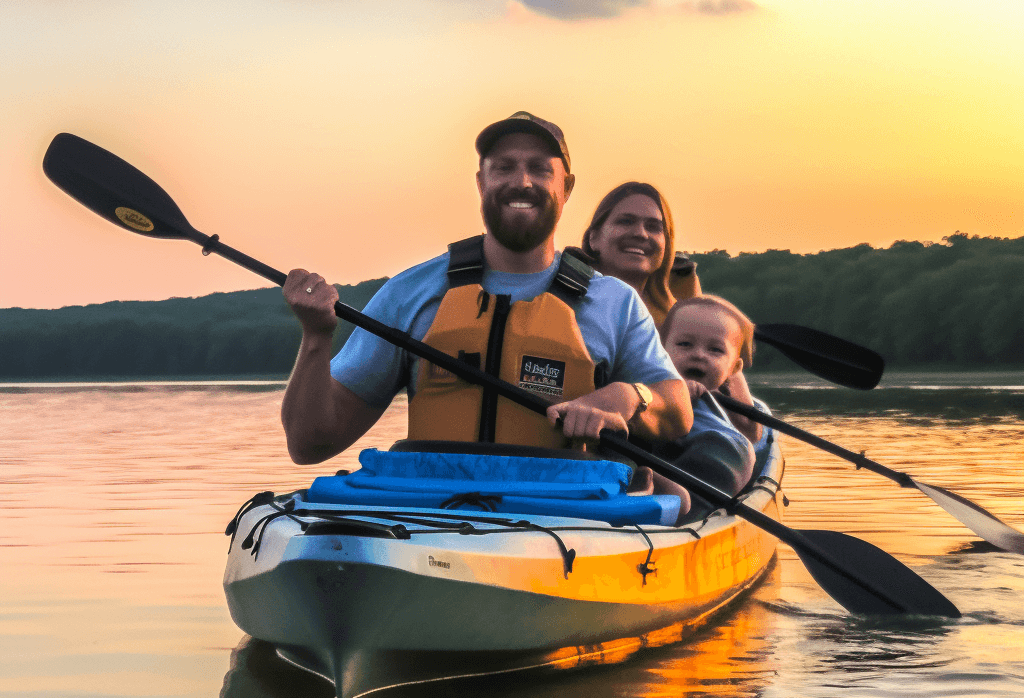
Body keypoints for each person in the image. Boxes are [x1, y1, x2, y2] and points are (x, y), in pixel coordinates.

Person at [279, 111, 692, 467]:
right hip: (434, 521)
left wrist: (630, 394)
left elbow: (678, 408)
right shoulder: (410, 293)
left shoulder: (614, 303)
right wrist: (316, 337)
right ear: (481, 183)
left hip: (564, 525)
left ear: (566, 188)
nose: (522, 181)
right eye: (504, 167)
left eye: (540, 168)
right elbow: (309, 444)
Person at [657, 294, 765, 501]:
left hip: (698, 470)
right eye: (685, 344)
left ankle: (689, 501)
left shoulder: (724, 406)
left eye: (715, 350)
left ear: (734, 367)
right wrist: (673, 390)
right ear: (659, 349)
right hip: (651, 454)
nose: (698, 354)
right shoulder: (646, 383)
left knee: (734, 449)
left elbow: (752, 433)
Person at [579, 182, 700, 329]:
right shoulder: (561, 302)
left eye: (653, 227)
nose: (640, 234)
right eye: (626, 221)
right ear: (594, 238)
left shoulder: (684, 327)